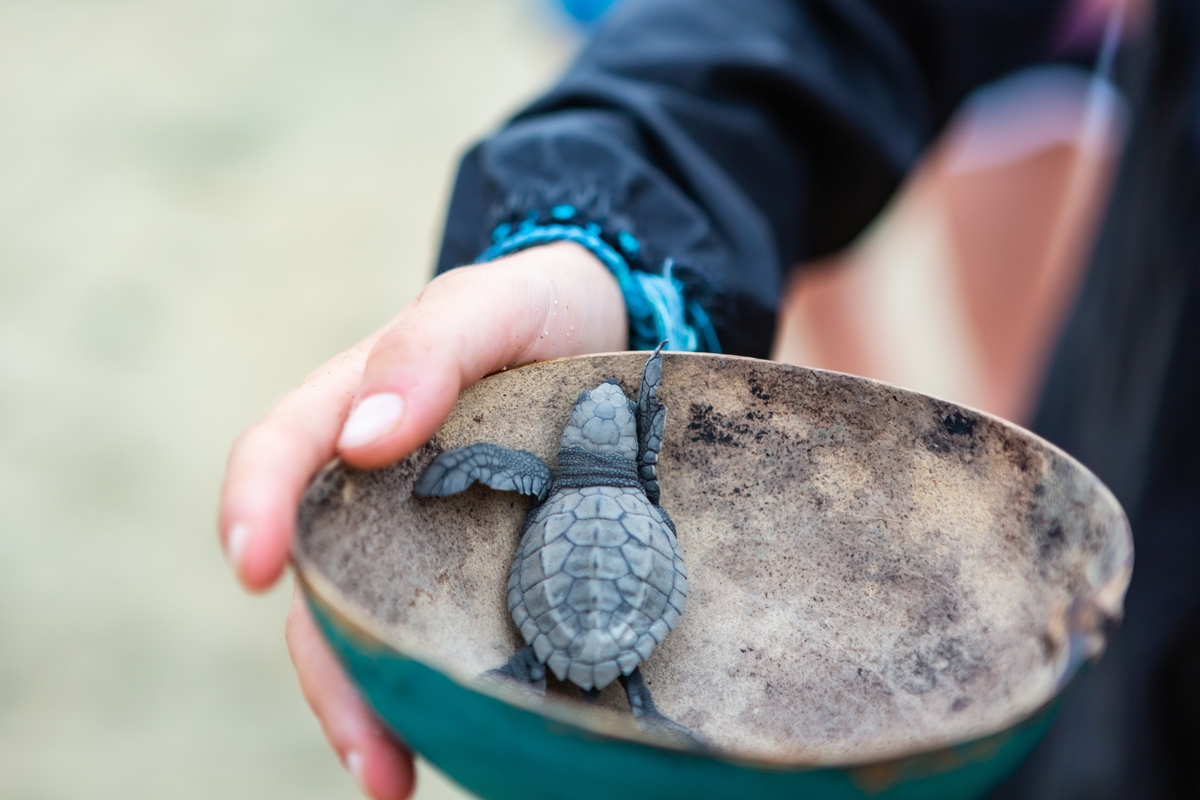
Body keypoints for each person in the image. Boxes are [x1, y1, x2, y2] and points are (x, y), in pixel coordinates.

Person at [218, 0, 1200, 797]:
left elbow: (501, 472)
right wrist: (606, 243)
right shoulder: (634, 471)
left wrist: (458, 466)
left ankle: (557, 677)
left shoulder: (559, 472)